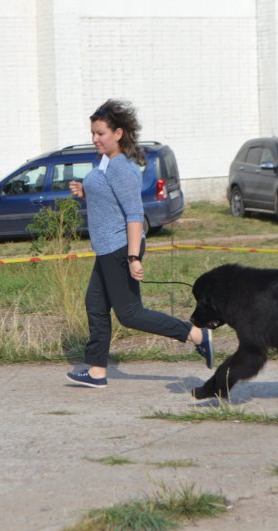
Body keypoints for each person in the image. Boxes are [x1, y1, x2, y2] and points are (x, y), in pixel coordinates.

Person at [65, 99, 213, 388]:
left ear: (118, 134)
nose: (95, 139)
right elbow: (111, 198)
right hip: (109, 247)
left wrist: (134, 258)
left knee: (130, 314)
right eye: (93, 133)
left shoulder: (120, 166)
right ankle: (96, 370)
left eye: (100, 133)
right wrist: (86, 190)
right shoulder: (107, 161)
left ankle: (194, 334)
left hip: (121, 248)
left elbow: (134, 214)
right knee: (95, 304)